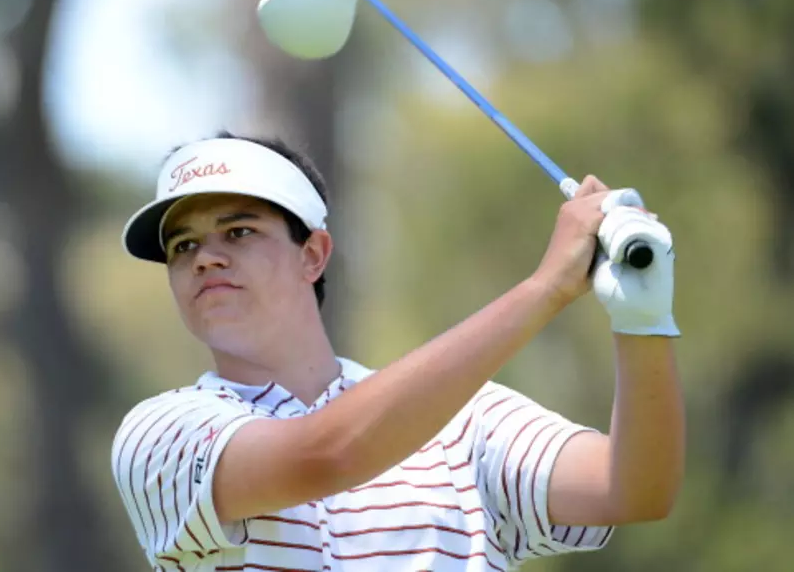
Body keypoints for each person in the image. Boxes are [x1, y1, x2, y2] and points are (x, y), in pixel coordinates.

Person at [111, 130, 685, 572]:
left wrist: (643, 323)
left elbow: (633, 488)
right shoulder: (160, 433)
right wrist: (544, 289)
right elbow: (326, 454)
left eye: (238, 232)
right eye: (183, 246)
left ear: (313, 255)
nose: (205, 257)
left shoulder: (460, 414)